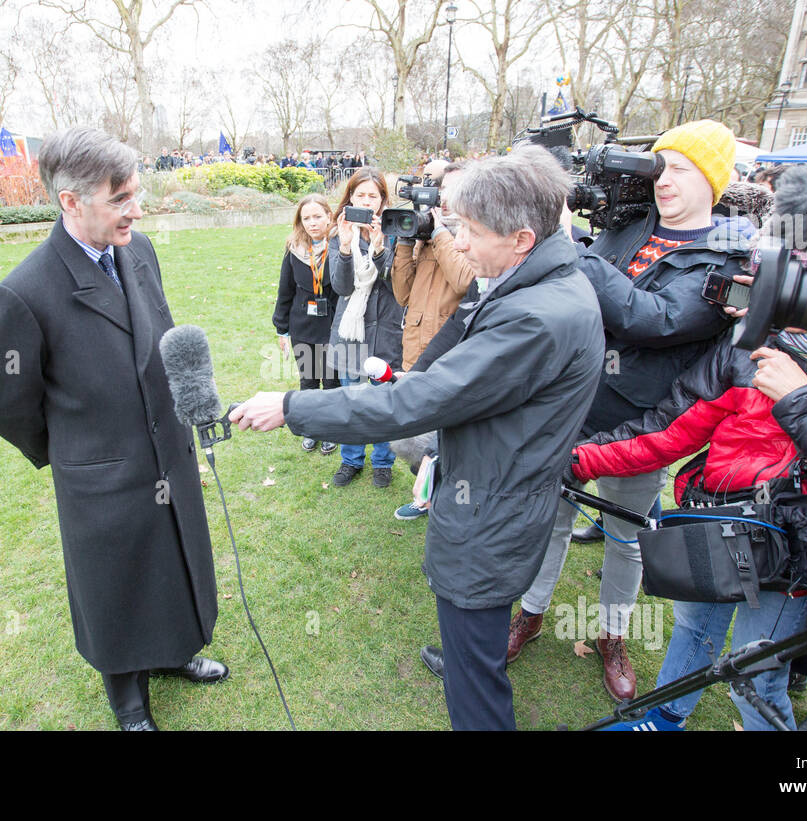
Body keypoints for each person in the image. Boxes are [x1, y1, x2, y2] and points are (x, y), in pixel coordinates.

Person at [230, 145, 604, 730]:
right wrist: (438, 378)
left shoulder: (537, 314)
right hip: (498, 501)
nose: (458, 242)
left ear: (522, 238)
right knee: (472, 663)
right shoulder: (544, 284)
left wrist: (291, 405)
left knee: (474, 688)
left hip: (489, 518)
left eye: (471, 231)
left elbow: (411, 406)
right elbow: (471, 379)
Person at [415, 120, 756, 702]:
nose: (663, 180)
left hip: (637, 427)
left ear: (713, 179)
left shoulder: (726, 260)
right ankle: (529, 614)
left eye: (679, 168)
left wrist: (572, 251)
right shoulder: (627, 228)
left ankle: (612, 635)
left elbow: (653, 320)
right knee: (545, 522)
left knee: (624, 537)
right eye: (659, 166)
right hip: (568, 405)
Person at [566, 300, 807, 729]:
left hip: (792, 549)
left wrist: (805, 400)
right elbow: (667, 431)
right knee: (693, 630)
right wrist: (580, 459)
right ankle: (664, 716)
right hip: (721, 523)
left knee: (755, 675)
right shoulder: (748, 344)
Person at [0, 127, 226, 732]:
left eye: (136, 194)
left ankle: (173, 651)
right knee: (117, 581)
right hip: (101, 474)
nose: (135, 210)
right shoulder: (24, 291)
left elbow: (157, 338)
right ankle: (128, 699)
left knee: (174, 555)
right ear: (70, 200)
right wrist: (72, 451)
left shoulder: (139, 251)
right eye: (120, 199)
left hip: (167, 450)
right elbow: (4, 401)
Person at [390, 160, 478, 520]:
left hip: (453, 359)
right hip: (415, 353)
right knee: (407, 439)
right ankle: (431, 487)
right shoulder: (429, 236)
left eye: (454, 193)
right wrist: (407, 241)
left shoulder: (473, 237)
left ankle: (444, 500)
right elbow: (401, 293)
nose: (444, 201)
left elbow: (464, 281)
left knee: (450, 441)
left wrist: (441, 234)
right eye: (441, 193)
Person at [325, 167, 402, 489]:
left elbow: (398, 284)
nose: (367, 202)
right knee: (352, 402)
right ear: (349, 199)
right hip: (350, 333)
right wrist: (345, 248)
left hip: (386, 331)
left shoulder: (399, 232)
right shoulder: (337, 235)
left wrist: (382, 246)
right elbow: (341, 287)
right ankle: (351, 460)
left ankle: (383, 462)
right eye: (360, 195)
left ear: (383, 200)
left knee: (384, 401)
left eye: (373, 196)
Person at [272, 193, 341, 455]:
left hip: (333, 325)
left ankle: (331, 430)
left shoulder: (340, 245)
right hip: (302, 326)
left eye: (317, 216)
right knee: (309, 380)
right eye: (306, 218)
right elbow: (285, 291)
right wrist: (281, 329)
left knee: (331, 382)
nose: (312, 223)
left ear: (329, 216)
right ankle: (312, 428)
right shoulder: (294, 248)